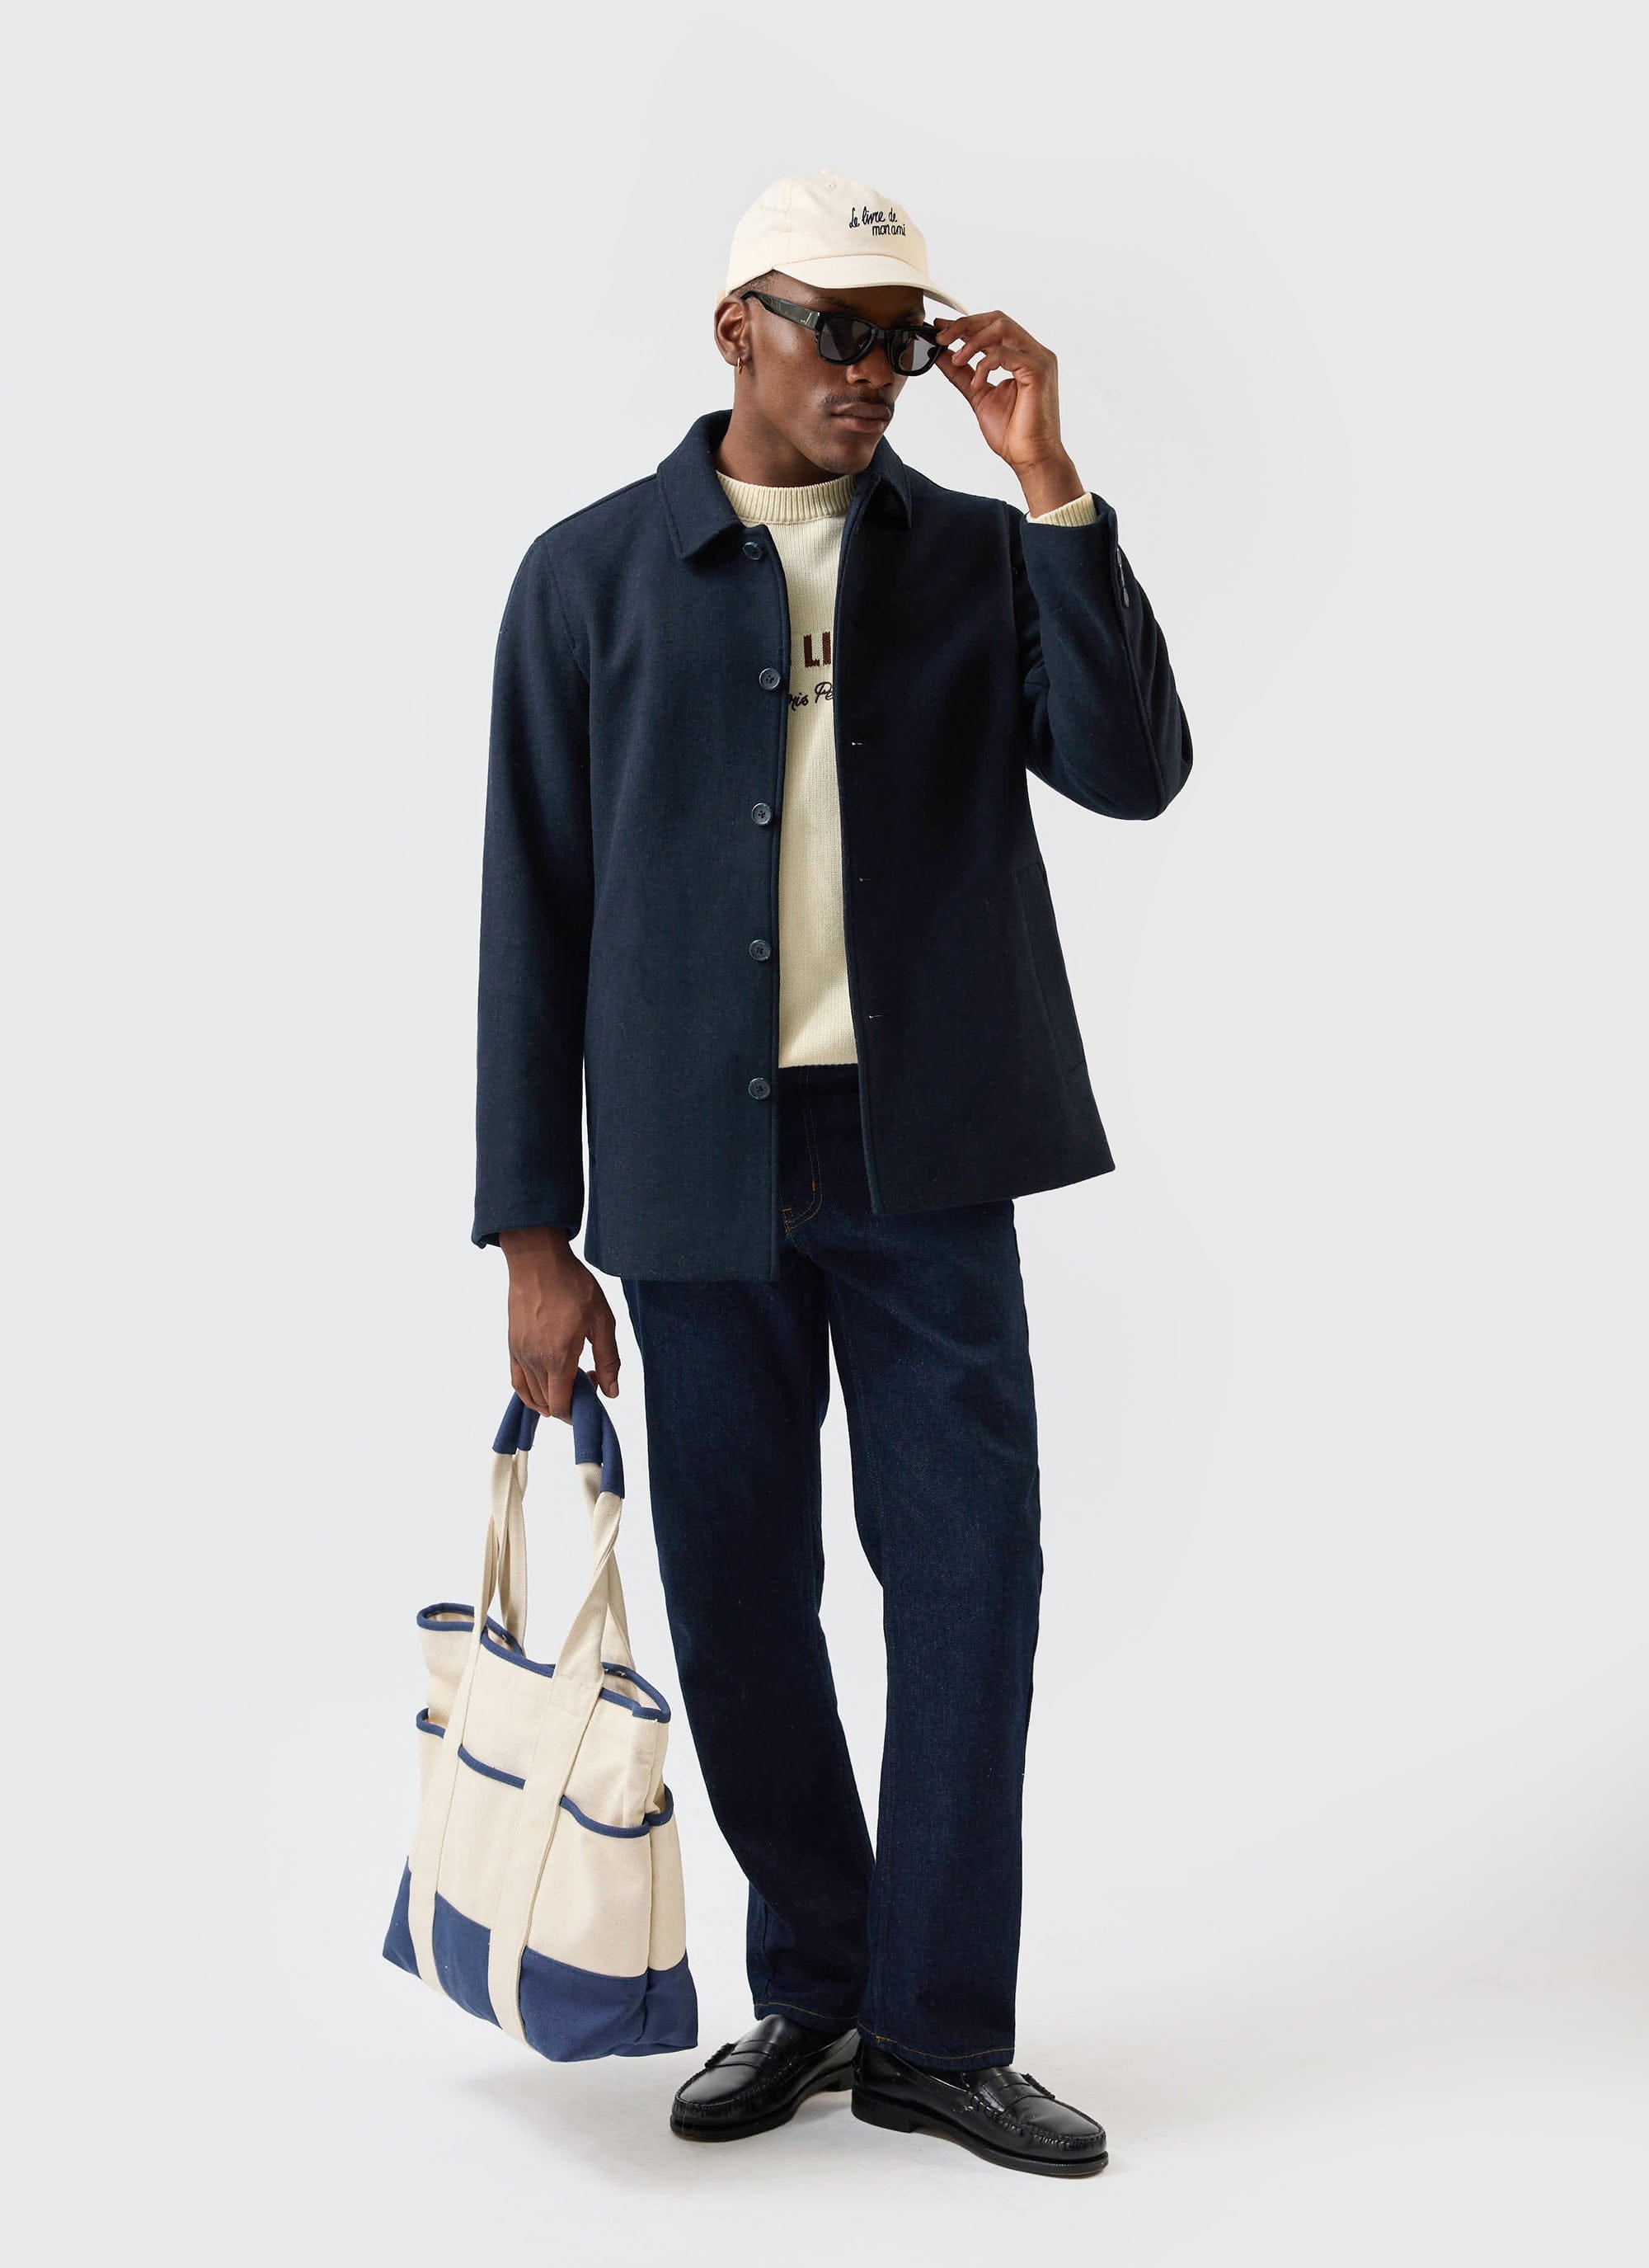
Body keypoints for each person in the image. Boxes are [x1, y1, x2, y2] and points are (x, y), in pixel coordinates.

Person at [473, 169, 1191, 2176]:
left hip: (930, 1151)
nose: (877, 370)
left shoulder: (976, 557)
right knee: (738, 1591)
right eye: (837, 330)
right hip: (698, 1173)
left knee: (971, 1581)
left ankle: (941, 2031)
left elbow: (1132, 765)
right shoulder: (590, 576)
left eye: (906, 334)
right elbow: (527, 915)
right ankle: (813, 1984)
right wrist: (534, 1235)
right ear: (737, 330)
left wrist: (1052, 485)